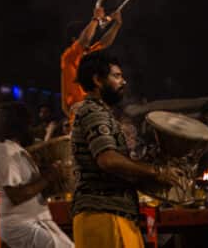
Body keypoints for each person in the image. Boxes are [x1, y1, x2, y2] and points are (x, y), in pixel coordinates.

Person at [71, 52, 179, 247]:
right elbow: (108, 160)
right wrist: (156, 171)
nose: (124, 81)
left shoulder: (101, 112)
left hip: (112, 216)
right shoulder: (93, 111)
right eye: (116, 76)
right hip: (104, 217)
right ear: (97, 80)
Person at [0, 101, 74, 248]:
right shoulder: (5, 152)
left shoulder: (16, 150)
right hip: (20, 224)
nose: (32, 129)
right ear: (19, 127)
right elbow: (16, 195)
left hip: (37, 220)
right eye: (29, 125)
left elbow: (33, 189)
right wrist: (48, 177)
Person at [61, 6, 122, 120]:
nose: (92, 34)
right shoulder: (69, 56)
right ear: (75, 39)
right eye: (86, 31)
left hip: (91, 112)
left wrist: (117, 25)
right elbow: (85, 39)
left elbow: (104, 43)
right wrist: (95, 19)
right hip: (80, 114)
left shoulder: (87, 54)